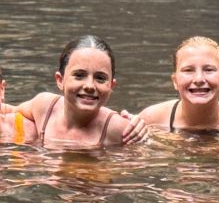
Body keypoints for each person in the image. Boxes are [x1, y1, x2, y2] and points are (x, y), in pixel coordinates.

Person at [18, 36, 148, 149]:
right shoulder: (44, 107)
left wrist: (143, 132)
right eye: (79, 75)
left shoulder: (118, 129)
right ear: (60, 80)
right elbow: (5, 112)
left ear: (111, 85)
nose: (90, 86)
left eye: (100, 78)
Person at [135, 36, 219, 134]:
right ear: (175, 81)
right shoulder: (150, 121)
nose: (199, 79)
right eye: (188, 70)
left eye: (209, 70)